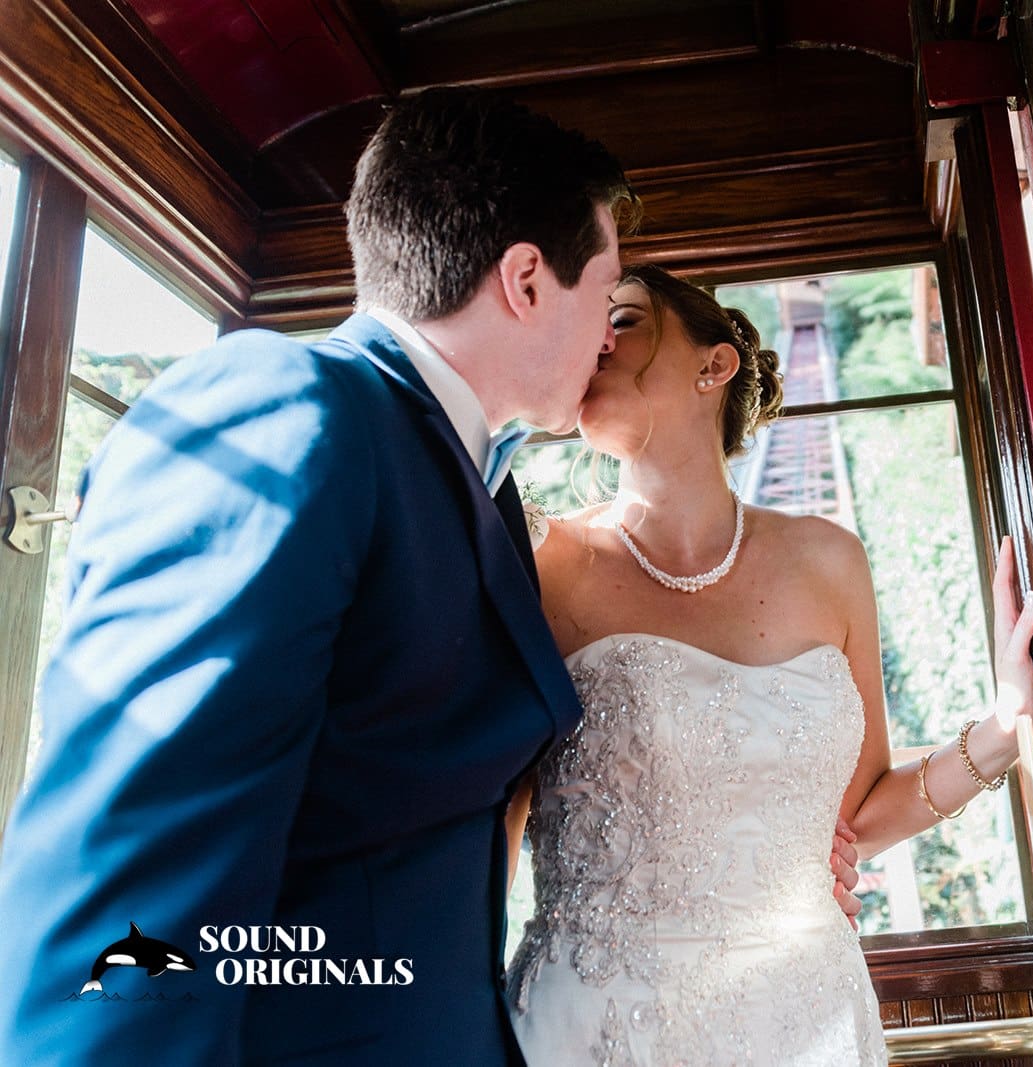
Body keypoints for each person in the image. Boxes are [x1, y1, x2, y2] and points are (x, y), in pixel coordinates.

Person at [0, 89, 635, 1065]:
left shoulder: (481, 482)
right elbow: (131, 857)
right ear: (526, 280)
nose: (608, 335)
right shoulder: (285, 409)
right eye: (606, 291)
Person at [504, 265, 1033, 1065]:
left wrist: (1002, 729)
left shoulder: (831, 561)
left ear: (714, 365)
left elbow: (860, 808)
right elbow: (482, 815)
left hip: (808, 1020)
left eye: (622, 319)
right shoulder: (541, 565)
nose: (596, 342)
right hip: (595, 1029)